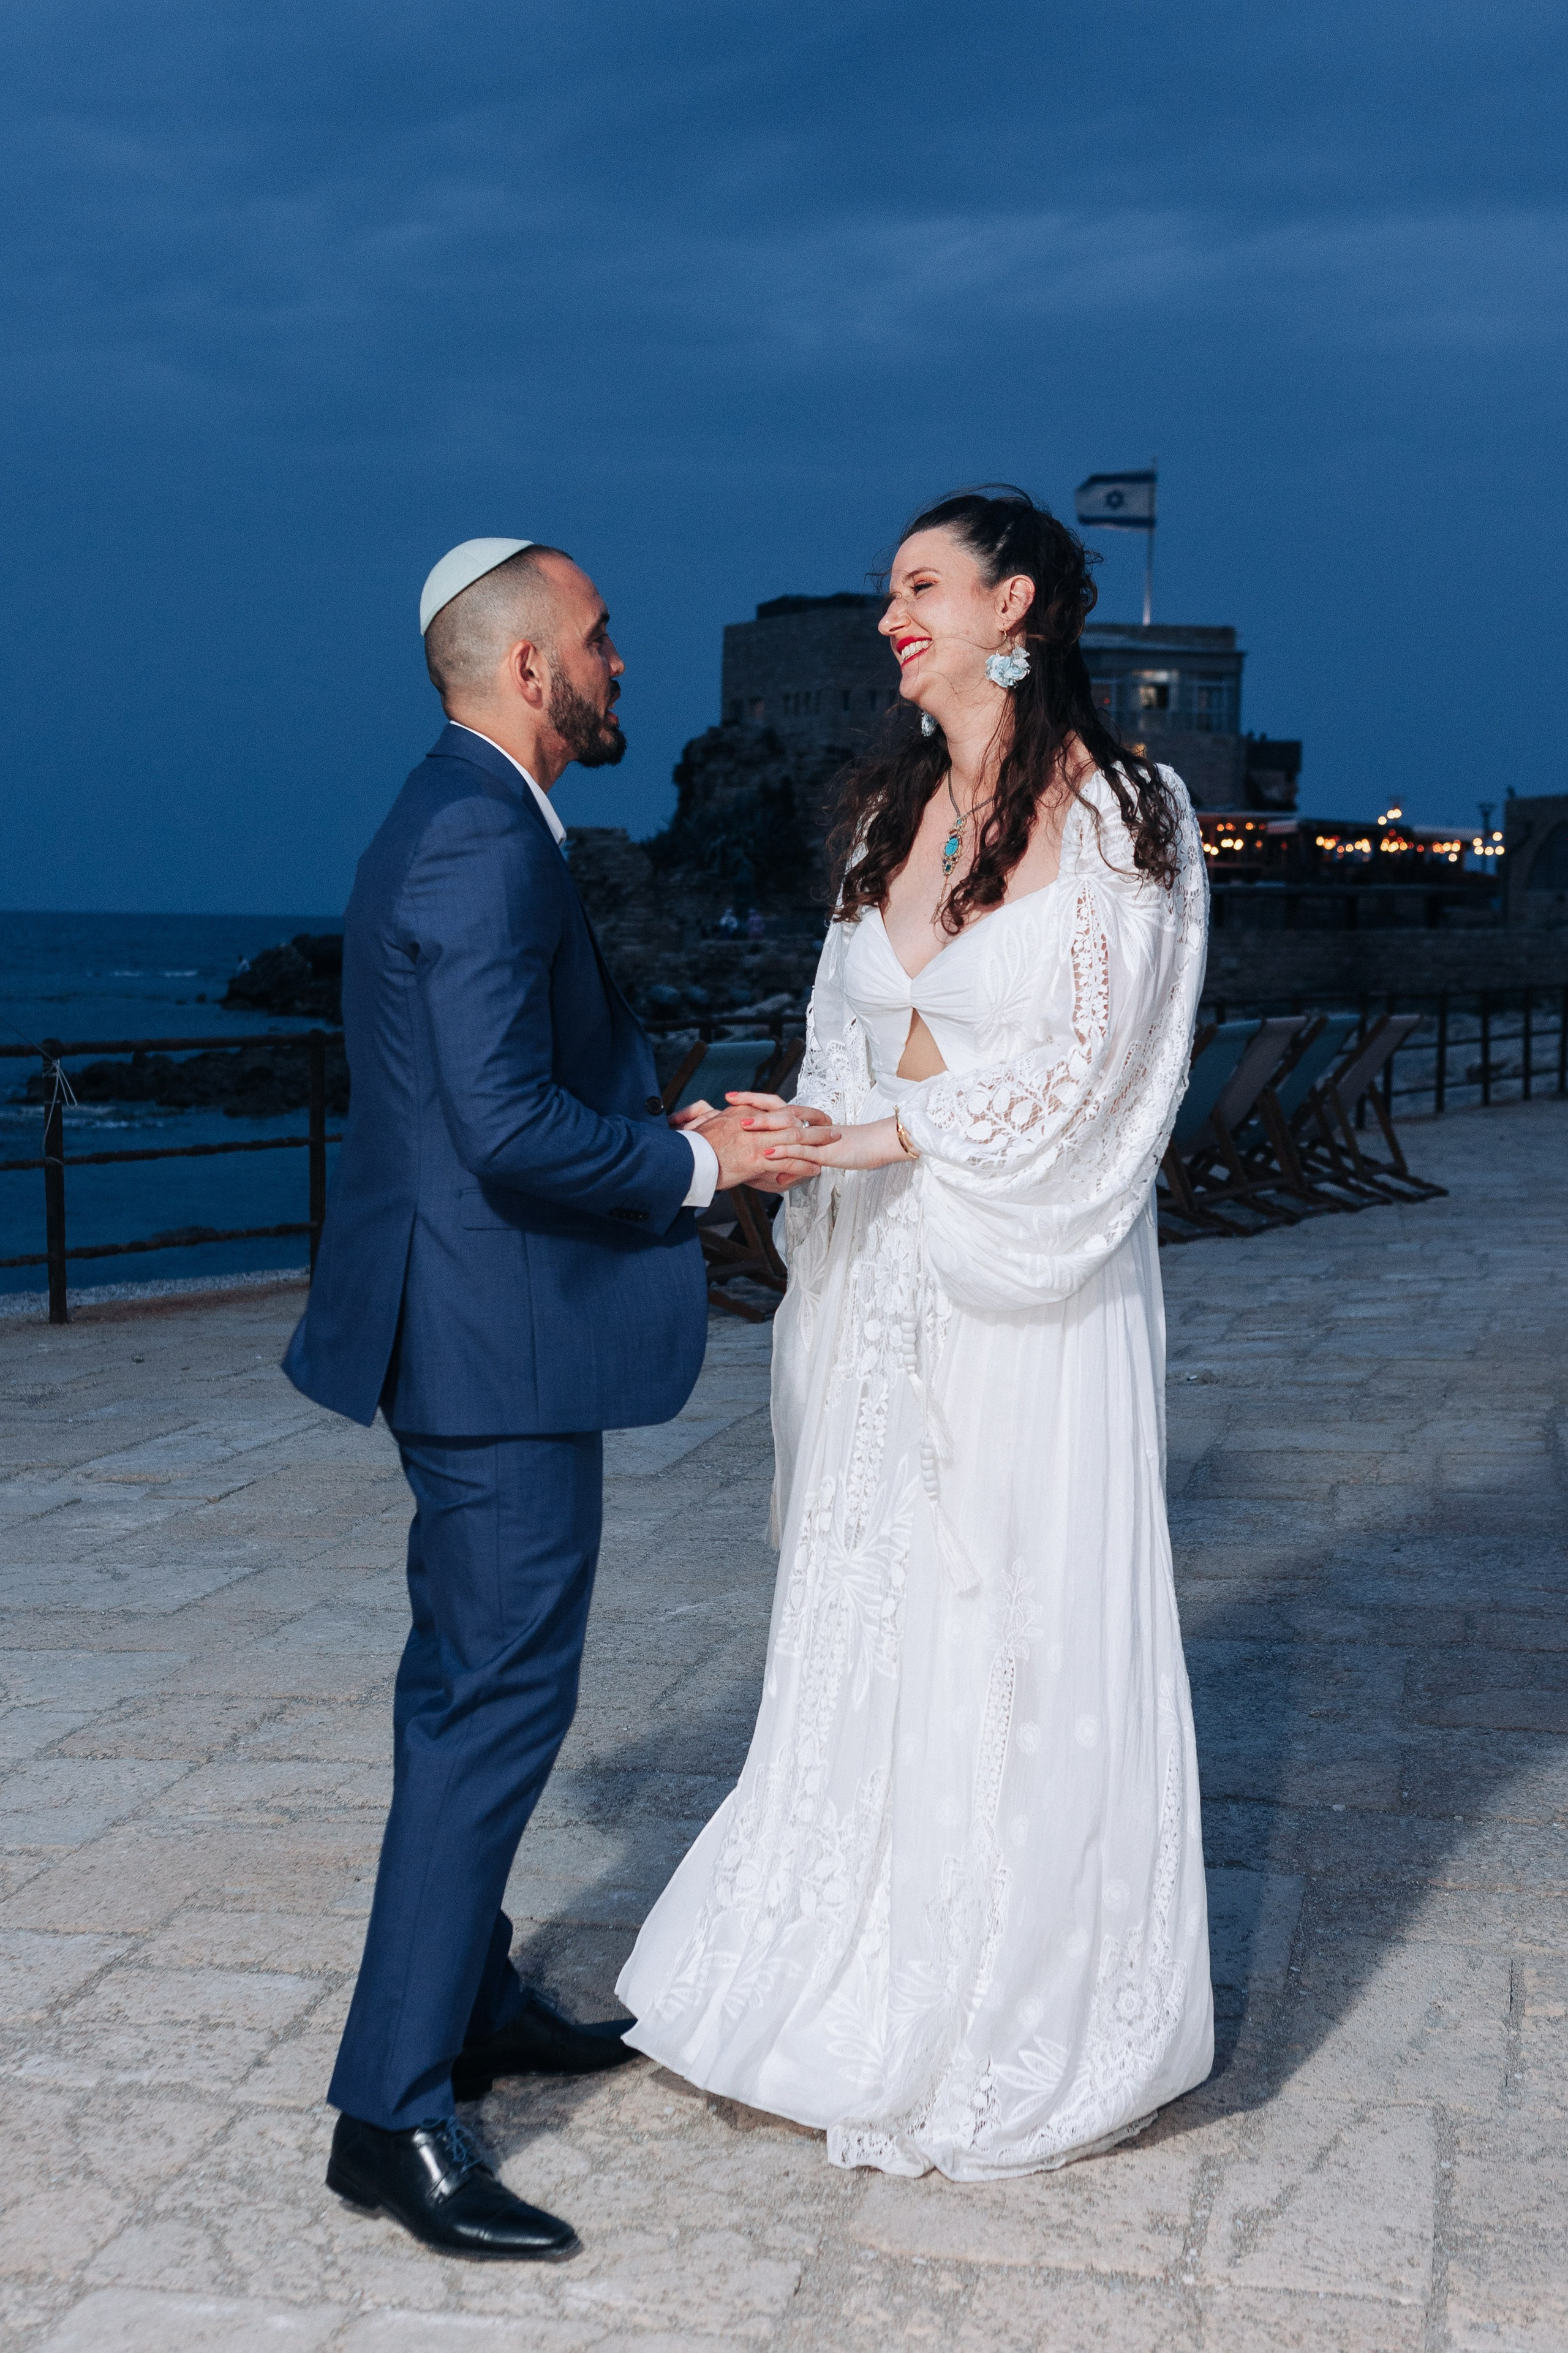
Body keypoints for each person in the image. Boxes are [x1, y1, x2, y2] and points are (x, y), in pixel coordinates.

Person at [617, 488, 1215, 2179]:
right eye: (889, 590)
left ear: (1013, 602)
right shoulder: (892, 804)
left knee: (1002, 1605)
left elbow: (1101, 1069)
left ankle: (1007, 2002)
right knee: (874, 1604)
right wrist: (802, 1128)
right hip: (880, 1284)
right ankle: (841, 1960)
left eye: (922, 586)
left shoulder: (1123, 808)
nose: (894, 616)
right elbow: (842, 1030)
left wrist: (892, 1138)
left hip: (1020, 1287)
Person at [283, 537, 834, 2259]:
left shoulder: (473, 813)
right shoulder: (471, 834)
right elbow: (507, 1122)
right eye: (600, 640)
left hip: (469, 1330)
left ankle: (471, 1993)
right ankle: (391, 2113)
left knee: (472, 1686)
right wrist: (698, 1157)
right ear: (529, 667)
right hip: (486, 1349)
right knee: (490, 1704)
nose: (621, 664)